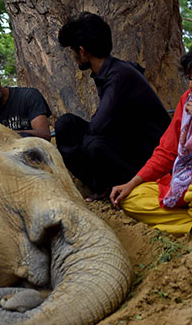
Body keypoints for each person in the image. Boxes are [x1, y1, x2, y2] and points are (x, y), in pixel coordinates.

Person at [55, 12, 170, 200]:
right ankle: (102, 187)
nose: (74, 56)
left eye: (73, 51)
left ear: (82, 51)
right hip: (128, 144)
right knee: (66, 125)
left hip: (151, 158)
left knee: (92, 145)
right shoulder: (112, 71)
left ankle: (112, 187)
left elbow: (98, 127)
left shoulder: (119, 75)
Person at [109, 52, 192, 234]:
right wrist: (131, 184)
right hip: (185, 184)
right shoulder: (186, 100)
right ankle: (187, 226)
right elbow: (166, 152)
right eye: (190, 77)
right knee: (133, 198)